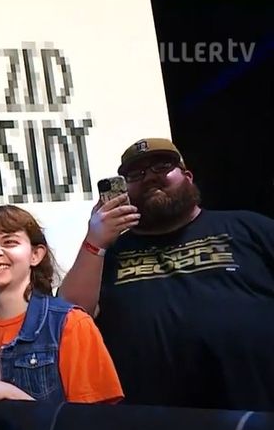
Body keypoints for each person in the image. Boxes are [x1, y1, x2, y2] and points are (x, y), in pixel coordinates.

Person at [58, 138, 274, 410]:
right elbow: (68, 316)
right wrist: (95, 241)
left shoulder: (249, 228)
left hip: (257, 411)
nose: (149, 178)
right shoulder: (106, 254)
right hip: (156, 425)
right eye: (136, 174)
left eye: (162, 166)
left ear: (187, 175)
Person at [0, 205, 124, 405]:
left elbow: (94, 423)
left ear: (36, 255)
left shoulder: (71, 324)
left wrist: (12, 395)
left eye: (10, 242)